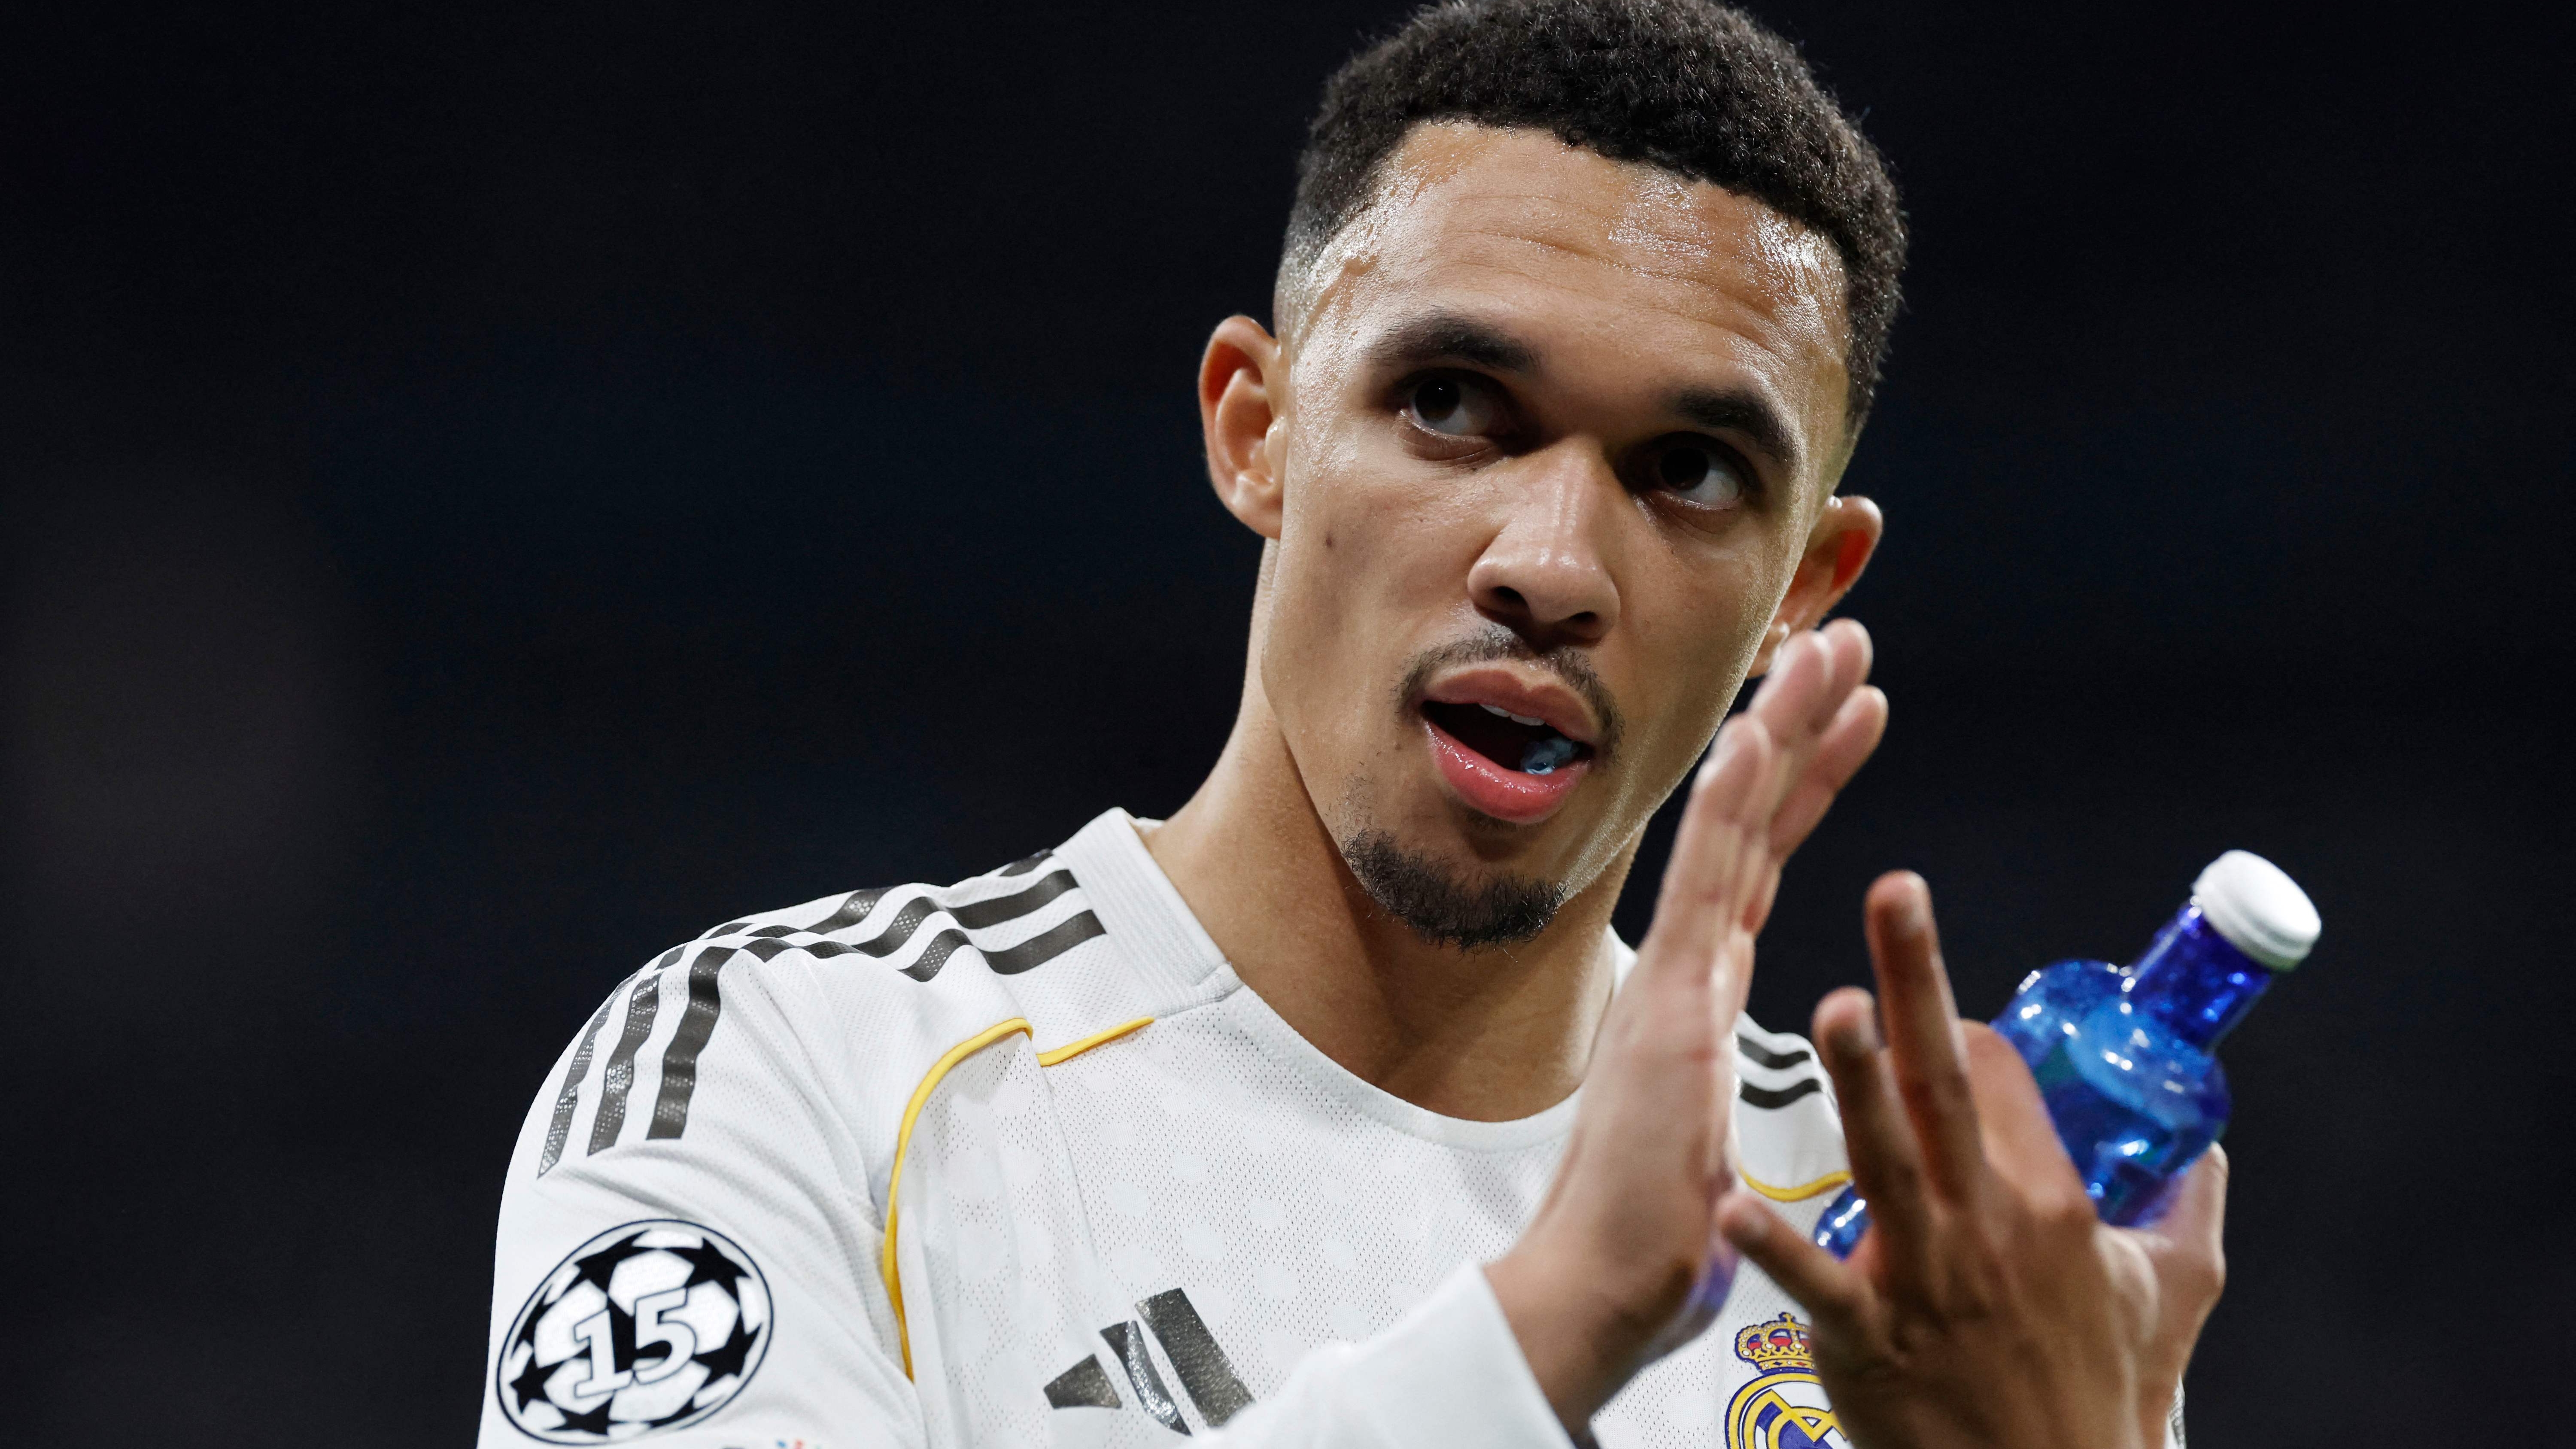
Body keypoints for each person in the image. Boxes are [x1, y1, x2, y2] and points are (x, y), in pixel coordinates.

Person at [478, 2, 2227, 1445]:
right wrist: (1548, 1326)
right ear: (1259, 427)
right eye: (1453, 405)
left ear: (1803, 588)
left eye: (1689, 471)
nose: (1549, 564)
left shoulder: (1911, 1263)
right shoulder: (798, 1075)